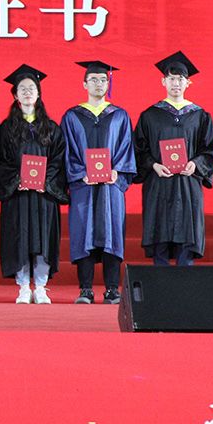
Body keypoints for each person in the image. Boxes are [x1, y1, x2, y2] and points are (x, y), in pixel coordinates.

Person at [61, 60, 137, 304]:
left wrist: (118, 171)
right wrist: (79, 173)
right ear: (84, 84)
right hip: (84, 186)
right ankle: (85, 289)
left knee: (112, 232)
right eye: (93, 80)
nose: (98, 84)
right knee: (83, 231)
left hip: (110, 187)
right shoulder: (72, 116)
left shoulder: (120, 116)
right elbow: (66, 151)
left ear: (108, 84)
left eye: (103, 80)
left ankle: (112, 289)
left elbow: (126, 148)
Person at [134, 51, 213, 266]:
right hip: (159, 184)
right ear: (163, 81)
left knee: (186, 238)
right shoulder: (150, 115)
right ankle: (160, 282)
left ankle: (185, 282)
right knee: (160, 236)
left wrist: (195, 164)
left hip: (187, 183)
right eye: (171, 78)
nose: (176, 83)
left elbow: (208, 149)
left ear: (188, 83)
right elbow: (138, 149)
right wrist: (153, 165)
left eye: (180, 79)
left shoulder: (200, 116)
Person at [0, 64, 67, 305]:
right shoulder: (6, 128)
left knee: (43, 239)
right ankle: (24, 286)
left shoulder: (51, 128)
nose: (27, 92)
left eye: (32, 88)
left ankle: (42, 287)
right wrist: (18, 180)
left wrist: (45, 181)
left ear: (39, 93)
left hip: (43, 195)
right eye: (23, 89)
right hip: (19, 194)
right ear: (15, 95)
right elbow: (1, 161)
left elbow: (58, 161)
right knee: (20, 238)